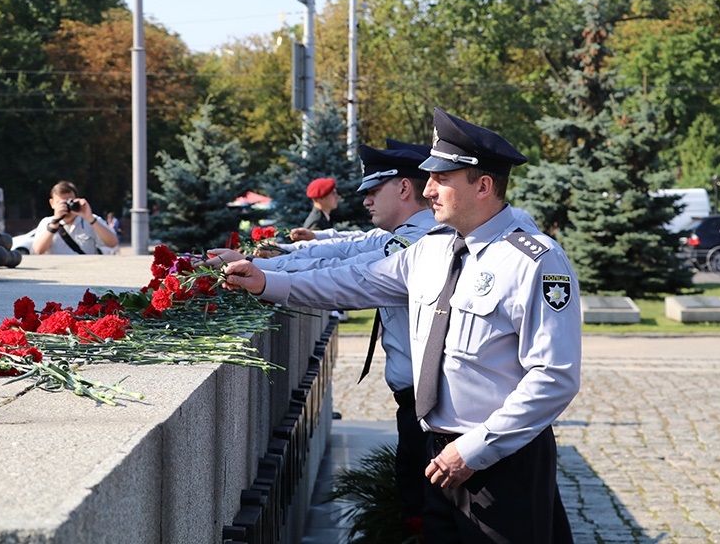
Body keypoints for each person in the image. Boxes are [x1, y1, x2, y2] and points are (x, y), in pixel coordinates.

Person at [219, 107, 581, 543]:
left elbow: (554, 377)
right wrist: (267, 282)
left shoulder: (534, 260)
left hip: (500, 459)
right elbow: (354, 282)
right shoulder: (432, 250)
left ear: (483, 185)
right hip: (438, 452)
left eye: (441, 179)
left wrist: (474, 450)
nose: (427, 191)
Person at [205, 140, 438, 535]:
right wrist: (269, 263)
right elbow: (345, 250)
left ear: (402, 188)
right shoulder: (407, 234)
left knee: (431, 515)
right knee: (421, 507)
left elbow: (350, 277)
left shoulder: (420, 238)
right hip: (417, 400)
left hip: (429, 405)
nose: (364, 200)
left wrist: (266, 278)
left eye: (373, 191)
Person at [32, 181, 118, 255]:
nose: (65, 207)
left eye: (69, 201)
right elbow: (38, 251)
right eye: (60, 203)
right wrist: (54, 225)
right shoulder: (47, 222)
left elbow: (112, 243)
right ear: (52, 203)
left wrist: (90, 218)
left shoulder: (91, 220)